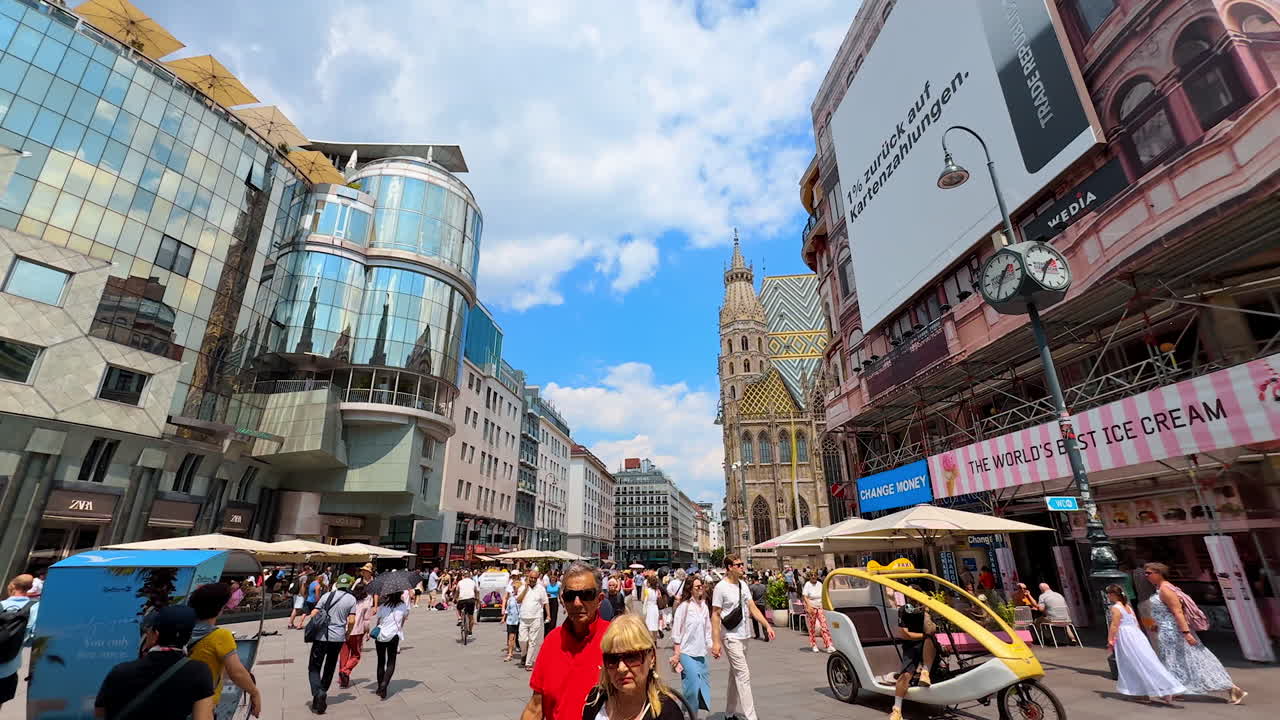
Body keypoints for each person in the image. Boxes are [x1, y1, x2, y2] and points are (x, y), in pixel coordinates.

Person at [1144, 562, 1246, 704]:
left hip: (1174, 632)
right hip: (1167, 631)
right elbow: (1166, 611)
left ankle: (1232, 688)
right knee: (1176, 661)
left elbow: (1178, 612)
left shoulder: (1166, 590)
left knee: (1196, 660)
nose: (1146, 576)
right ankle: (1174, 690)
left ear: (1159, 573)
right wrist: (1157, 623)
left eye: (1149, 573)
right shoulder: (1161, 588)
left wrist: (1186, 633)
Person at [521, 563, 609, 720]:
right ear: (562, 600)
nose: (577, 603)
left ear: (599, 599)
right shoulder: (552, 641)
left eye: (587, 594)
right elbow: (536, 707)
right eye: (570, 596)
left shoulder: (614, 639)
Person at [94, 606, 213, 720]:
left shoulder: (120, 671)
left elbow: (100, 713)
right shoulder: (199, 672)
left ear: (156, 634)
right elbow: (203, 717)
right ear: (189, 637)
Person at [582, 614, 693, 720]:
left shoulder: (668, 714)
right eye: (612, 659)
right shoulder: (595, 701)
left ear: (652, 658)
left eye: (631, 657)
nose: (621, 668)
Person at [186, 583, 262, 719]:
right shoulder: (220, 636)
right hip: (203, 708)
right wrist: (254, 693)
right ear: (220, 608)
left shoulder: (181, 633)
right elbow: (236, 673)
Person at [711, 555, 773, 720]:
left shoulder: (743, 585)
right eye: (738, 565)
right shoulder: (720, 588)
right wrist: (716, 642)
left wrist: (766, 625)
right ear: (729, 567)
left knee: (735, 675)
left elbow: (752, 608)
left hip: (744, 635)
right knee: (743, 675)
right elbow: (715, 615)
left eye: (742, 564)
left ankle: (729, 713)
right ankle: (752, 717)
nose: (742, 567)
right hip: (730, 637)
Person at [1105, 584, 1183, 705]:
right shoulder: (1128, 607)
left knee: (1132, 663)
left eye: (1109, 594)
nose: (1108, 596)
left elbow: (1114, 625)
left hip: (1126, 636)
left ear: (1113, 595)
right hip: (1136, 635)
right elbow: (1136, 622)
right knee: (1147, 661)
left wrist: (1110, 640)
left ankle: (1141, 692)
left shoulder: (1115, 608)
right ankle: (1163, 689)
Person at [305, 574, 358, 714]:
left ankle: (317, 693)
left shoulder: (326, 596)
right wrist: (348, 632)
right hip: (338, 638)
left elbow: (313, 613)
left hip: (321, 637)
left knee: (314, 667)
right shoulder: (351, 599)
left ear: (337, 584)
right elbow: (351, 620)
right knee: (330, 666)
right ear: (349, 585)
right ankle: (322, 691)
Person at [889, 590, 938, 720]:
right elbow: (906, 634)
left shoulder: (925, 611)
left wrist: (926, 613)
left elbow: (932, 630)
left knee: (930, 638)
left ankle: (925, 673)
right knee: (905, 675)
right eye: (910, 596)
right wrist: (924, 635)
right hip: (911, 646)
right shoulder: (904, 610)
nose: (912, 599)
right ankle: (897, 710)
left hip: (928, 644)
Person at [670, 576, 712, 717]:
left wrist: (712, 646)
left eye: (701, 586)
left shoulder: (704, 607)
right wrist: (677, 654)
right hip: (686, 653)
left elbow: (707, 629)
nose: (701, 588)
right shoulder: (684, 607)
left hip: (701, 653)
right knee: (692, 686)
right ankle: (690, 715)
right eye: (697, 586)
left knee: (702, 688)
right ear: (690, 589)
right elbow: (676, 632)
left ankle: (687, 709)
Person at [0, 574, 38, 710]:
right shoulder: (35, 608)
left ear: (12, 586)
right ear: (30, 588)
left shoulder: (1, 605)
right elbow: (34, 640)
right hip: (8, 668)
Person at [338, 583, 376, 688]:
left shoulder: (349, 601)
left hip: (344, 631)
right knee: (356, 655)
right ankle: (345, 671)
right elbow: (366, 621)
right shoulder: (366, 603)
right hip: (357, 632)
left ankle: (342, 680)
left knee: (343, 655)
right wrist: (367, 632)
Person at [372, 589, 408, 699]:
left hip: (381, 636)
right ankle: (385, 684)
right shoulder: (403, 606)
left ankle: (380, 687)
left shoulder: (383, 606)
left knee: (381, 661)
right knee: (391, 662)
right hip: (394, 635)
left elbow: (378, 621)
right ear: (400, 594)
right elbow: (403, 619)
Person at [519, 569, 550, 670]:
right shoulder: (522, 587)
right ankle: (524, 654)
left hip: (536, 617)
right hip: (523, 617)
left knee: (532, 641)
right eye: (531, 577)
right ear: (528, 577)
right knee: (522, 640)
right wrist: (525, 589)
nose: (532, 580)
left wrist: (548, 615)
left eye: (535, 578)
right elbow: (518, 600)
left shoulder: (541, 588)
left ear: (537, 579)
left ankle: (528, 663)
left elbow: (545, 602)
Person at [801, 571, 834, 653]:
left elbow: (824, 594)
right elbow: (805, 596)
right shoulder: (807, 584)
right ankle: (814, 645)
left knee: (824, 625)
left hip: (820, 607)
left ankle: (829, 645)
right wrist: (809, 606)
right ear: (809, 577)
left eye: (815, 575)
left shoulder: (820, 584)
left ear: (817, 576)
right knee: (812, 627)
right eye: (811, 575)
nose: (813, 577)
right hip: (811, 607)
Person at [456, 569, 479, 639]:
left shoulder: (460, 582)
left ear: (463, 576)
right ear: (469, 576)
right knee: (471, 616)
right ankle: (470, 632)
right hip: (471, 600)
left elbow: (457, 591)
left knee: (457, 608)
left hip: (462, 600)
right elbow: (476, 591)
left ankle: (459, 618)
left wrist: (455, 598)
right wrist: (477, 599)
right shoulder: (473, 582)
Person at [506, 575, 524, 662]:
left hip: (521, 620)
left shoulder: (523, 598)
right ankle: (510, 654)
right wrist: (504, 618)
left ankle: (524, 654)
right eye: (513, 588)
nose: (514, 589)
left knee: (522, 639)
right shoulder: (511, 598)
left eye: (515, 588)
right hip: (511, 620)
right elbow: (508, 609)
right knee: (511, 637)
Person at [747, 574, 769, 642]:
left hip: (755, 605)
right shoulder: (763, 586)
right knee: (763, 619)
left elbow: (750, 597)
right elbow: (766, 594)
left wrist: (750, 608)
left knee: (755, 620)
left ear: (753, 579)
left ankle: (757, 635)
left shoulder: (752, 587)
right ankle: (766, 635)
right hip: (762, 604)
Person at [642, 575, 662, 642]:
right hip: (655, 608)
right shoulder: (657, 591)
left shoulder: (647, 590)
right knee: (655, 625)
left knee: (649, 625)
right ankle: (655, 641)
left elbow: (643, 600)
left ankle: (650, 641)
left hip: (649, 608)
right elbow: (659, 598)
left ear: (649, 583)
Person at [545, 570, 562, 635]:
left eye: (554, 578)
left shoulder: (558, 586)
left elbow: (560, 596)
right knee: (547, 618)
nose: (553, 579)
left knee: (553, 619)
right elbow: (544, 595)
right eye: (551, 578)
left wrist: (563, 605)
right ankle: (546, 634)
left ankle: (551, 633)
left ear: (556, 579)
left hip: (554, 601)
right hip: (548, 601)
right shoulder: (547, 585)